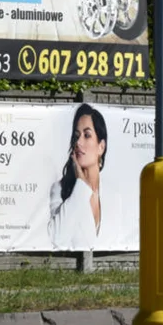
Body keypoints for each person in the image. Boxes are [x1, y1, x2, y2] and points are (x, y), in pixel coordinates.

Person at [47, 103, 116, 249]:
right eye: (76, 136)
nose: (78, 142)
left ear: (101, 146)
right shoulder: (60, 189)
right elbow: (57, 239)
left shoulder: (114, 197)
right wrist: (81, 185)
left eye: (87, 135)